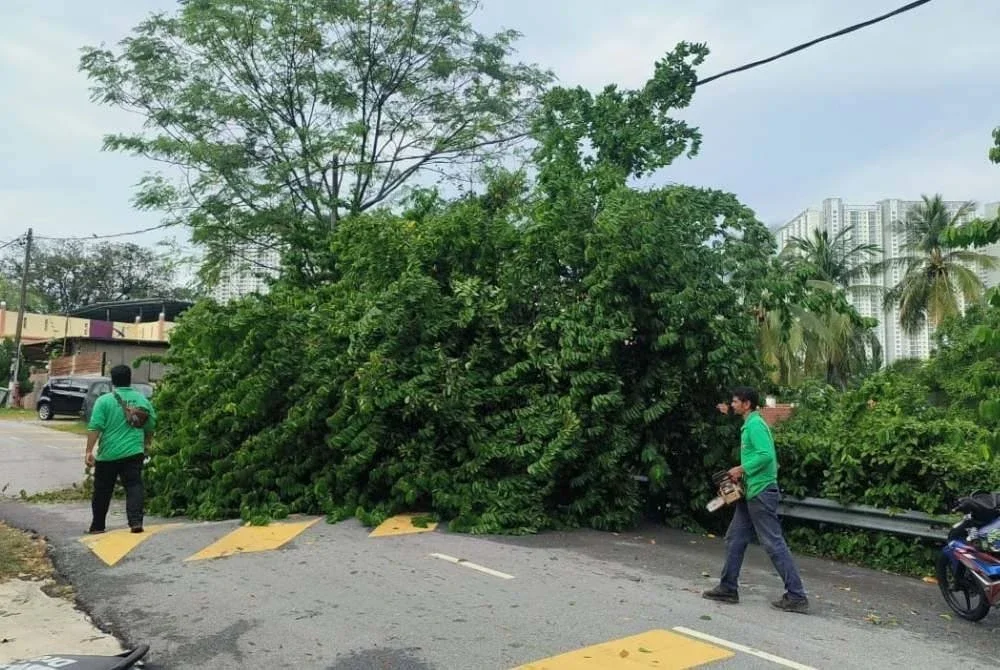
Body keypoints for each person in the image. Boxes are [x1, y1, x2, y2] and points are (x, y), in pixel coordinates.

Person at [703, 386, 809, 613]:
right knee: (735, 538)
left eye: (735, 401)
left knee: (773, 543)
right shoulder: (750, 425)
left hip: (761, 492)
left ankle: (796, 595)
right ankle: (728, 588)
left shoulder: (755, 426)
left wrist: (740, 469)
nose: (732, 405)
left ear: (746, 404)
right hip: (751, 491)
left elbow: (766, 456)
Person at [85, 365, 157, 534]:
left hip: (108, 454)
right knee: (134, 485)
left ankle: (98, 525)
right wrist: (146, 443)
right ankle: (135, 522)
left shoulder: (104, 401)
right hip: (134, 452)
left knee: (102, 490)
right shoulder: (142, 400)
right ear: (129, 379)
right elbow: (151, 425)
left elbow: (95, 427)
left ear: (112, 380)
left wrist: (89, 451)